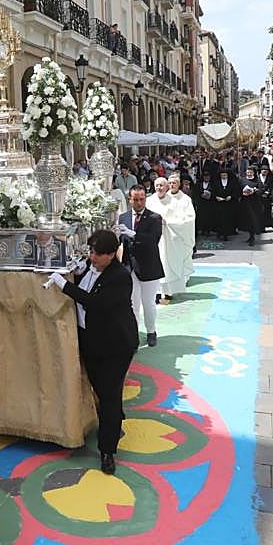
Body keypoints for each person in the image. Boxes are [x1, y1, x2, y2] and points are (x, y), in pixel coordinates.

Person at [45, 230, 139, 475]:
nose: (92, 257)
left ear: (111, 255)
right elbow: (84, 281)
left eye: (98, 254)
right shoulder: (89, 265)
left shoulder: (120, 277)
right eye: (91, 252)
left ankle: (107, 450)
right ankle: (114, 418)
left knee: (109, 395)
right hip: (92, 342)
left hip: (116, 345)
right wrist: (74, 273)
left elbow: (95, 303)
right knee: (101, 389)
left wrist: (64, 285)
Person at [117, 186, 163, 347]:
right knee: (132, 303)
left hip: (149, 266)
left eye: (142, 198)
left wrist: (133, 234)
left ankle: (151, 331)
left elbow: (153, 240)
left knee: (148, 302)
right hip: (129, 268)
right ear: (129, 199)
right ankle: (134, 335)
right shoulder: (122, 217)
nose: (139, 202)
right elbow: (119, 242)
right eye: (135, 199)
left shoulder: (154, 218)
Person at [239, 167, 265, 246]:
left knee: (253, 220)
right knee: (247, 220)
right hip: (245, 203)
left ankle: (252, 237)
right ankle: (249, 236)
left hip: (254, 203)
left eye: (251, 172)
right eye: (248, 172)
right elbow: (238, 189)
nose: (249, 173)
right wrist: (242, 193)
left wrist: (254, 190)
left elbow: (261, 190)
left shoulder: (257, 180)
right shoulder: (242, 180)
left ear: (254, 173)